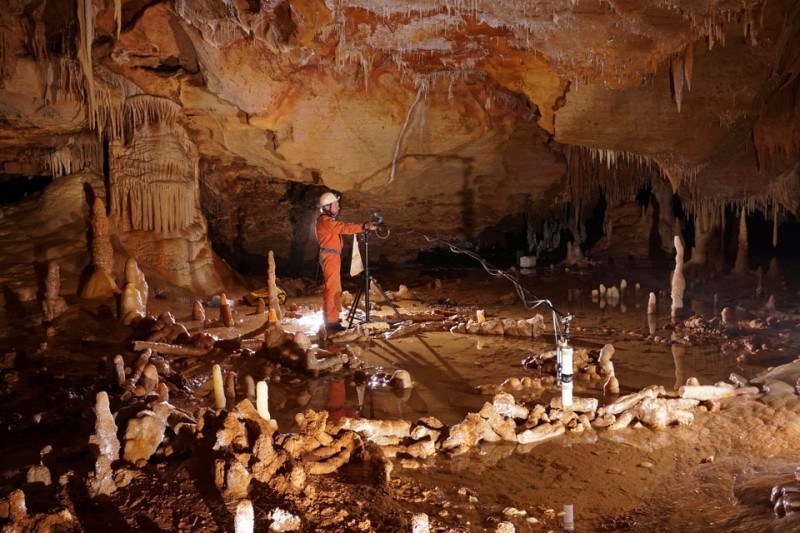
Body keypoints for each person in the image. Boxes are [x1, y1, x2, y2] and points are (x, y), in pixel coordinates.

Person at [316, 191, 377, 331]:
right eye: (336, 205)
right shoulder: (325, 221)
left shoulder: (325, 220)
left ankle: (330, 317)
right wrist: (364, 226)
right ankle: (331, 322)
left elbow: (342, 227)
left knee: (330, 288)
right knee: (333, 289)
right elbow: (343, 227)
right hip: (330, 257)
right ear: (327, 207)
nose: (339, 207)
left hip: (331, 256)